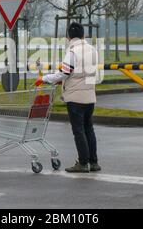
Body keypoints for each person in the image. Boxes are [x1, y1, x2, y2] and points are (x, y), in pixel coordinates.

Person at [35, 22, 100, 173]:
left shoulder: (72, 52)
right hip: (90, 95)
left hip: (75, 97)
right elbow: (84, 73)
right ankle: (94, 162)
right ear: (83, 35)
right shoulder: (93, 50)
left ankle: (82, 163)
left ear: (68, 37)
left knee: (78, 131)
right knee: (89, 128)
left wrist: (44, 79)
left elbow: (65, 73)